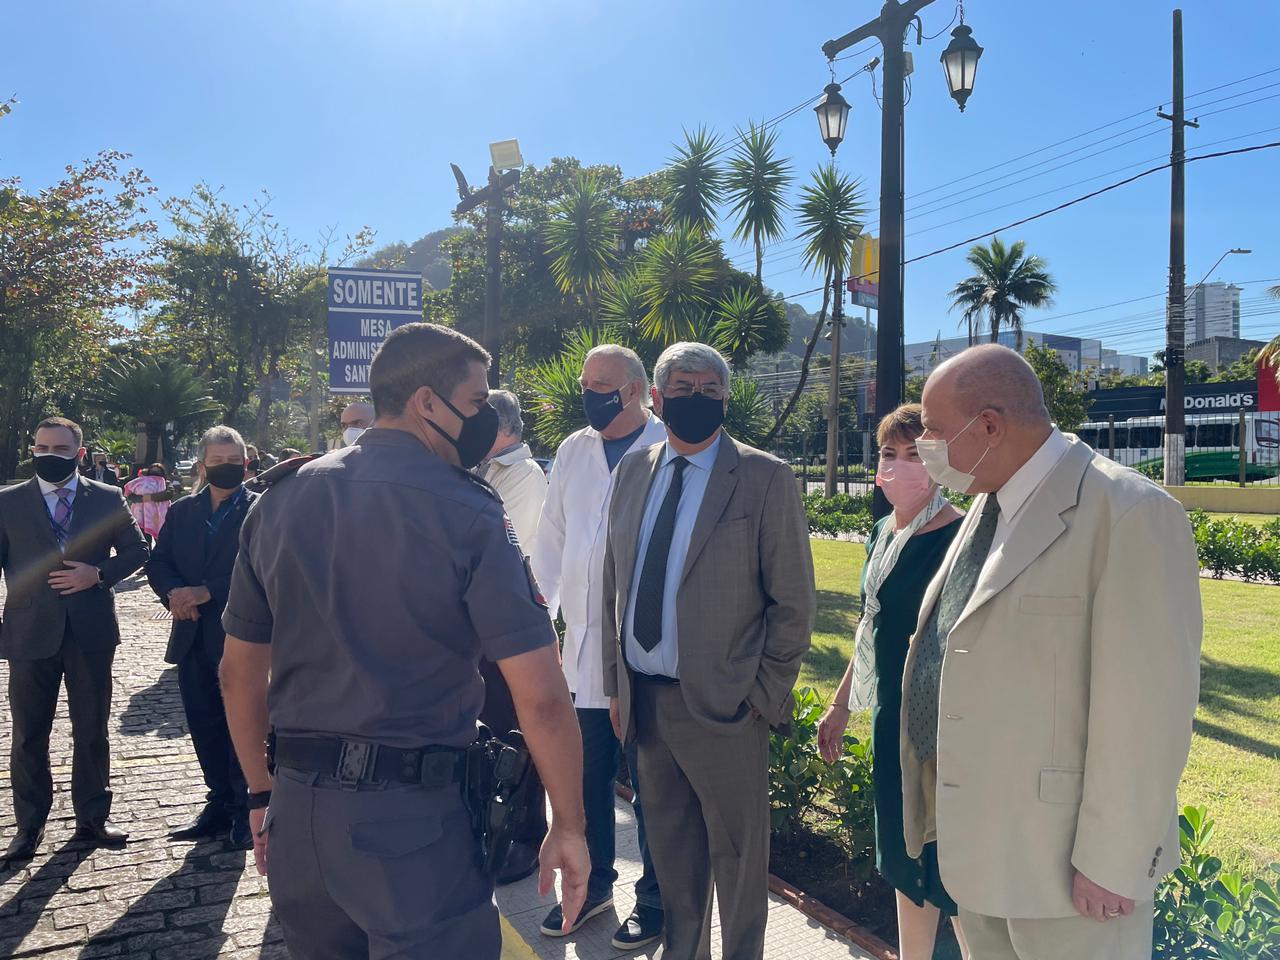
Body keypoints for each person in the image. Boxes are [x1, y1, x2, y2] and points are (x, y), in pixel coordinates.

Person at [218, 322, 589, 959]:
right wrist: (570, 825)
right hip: (413, 827)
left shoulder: (278, 501)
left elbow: (237, 674)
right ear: (426, 402)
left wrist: (260, 792)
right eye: (476, 402)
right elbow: (544, 699)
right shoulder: (468, 510)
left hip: (298, 814)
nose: (484, 419)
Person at [900, 344, 1201, 960]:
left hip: (1068, 873)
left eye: (932, 429)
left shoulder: (1130, 512)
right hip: (980, 848)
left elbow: (1150, 709)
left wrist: (1114, 860)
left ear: (989, 426)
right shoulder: (989, 502)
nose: (925, 445)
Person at [602, 342, 815, 960]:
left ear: (726, 398)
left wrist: (759, 698)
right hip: (647, 705)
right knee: (672, 858)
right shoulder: (633, 471)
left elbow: (794, 603)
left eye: (711, 390)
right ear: (657, 398)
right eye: (684, 389)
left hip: (727, 709)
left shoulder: (764, 477)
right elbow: (613, 583)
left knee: (739, 863)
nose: (698, 398)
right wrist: (616, 686)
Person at [817, 404, 970, 960]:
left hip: (937, 726)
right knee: (904, 859)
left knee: (946, 861)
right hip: (889, 716)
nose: (898, 465)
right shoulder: (882, 532)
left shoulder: (958, 536)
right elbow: (870, 623)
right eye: (889, 453)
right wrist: (840, 706)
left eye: (915, 453)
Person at [530, 343, 669, 948]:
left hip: (644, 654)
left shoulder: (668, 447)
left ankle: (656, 899)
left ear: (634, 390)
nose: (587, 394)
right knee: (584, 780)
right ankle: (592, 888)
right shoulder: (573, 450)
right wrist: (539, 624)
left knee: (649, 784)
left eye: (600, 384)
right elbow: (552, 539)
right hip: (583, 654)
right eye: (585, 383)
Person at [0, 416, 148, 863]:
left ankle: (93, 817)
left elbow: (138, 550)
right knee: (28, 734)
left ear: (79, 454)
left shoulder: (106, 497)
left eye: (60, 449)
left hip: (90, 630)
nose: (49, 456)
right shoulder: (8, 502)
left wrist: (98, 573)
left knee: (92, 729)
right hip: (29, 632)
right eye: (42, 448)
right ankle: (29, 825)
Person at [145, 426, 256, 850]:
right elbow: (159, 562)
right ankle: (219, 801)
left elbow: (267, 568)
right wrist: (174, 593)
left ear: (246, 463)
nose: (226, 467)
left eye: (234, 461)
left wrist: (207, 591)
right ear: (202, 465)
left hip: (241, 637)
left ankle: (247, 806)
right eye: (218, 461)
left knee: (242, 723)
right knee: (203, 722)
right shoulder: (183, 510)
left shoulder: (262, 509)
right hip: (191, 635)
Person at [469, 388, 549, 884]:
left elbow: (494, 546)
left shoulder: (522, 475)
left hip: (509, 626)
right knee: (493, 734)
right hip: (481, 627)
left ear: (501, 426)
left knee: (518, 734)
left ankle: (528, 835)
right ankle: (496, 827)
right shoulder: (484, 468)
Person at [477, 390, 546, 547]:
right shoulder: (484, 464)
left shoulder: (526, 474)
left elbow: (499, 542)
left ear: (502, 426)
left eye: (478, 421)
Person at [123, 463, 174, 548]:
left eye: (158, 471)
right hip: (142, 516)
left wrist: (150, 497)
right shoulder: (141, 482)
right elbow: (131, 496)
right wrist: (141, 498)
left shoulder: (166, 483)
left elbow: (169, 494)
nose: (155, 473)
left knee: (161, 541)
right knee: (145, 541)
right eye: (153, 471)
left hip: (159, 518)